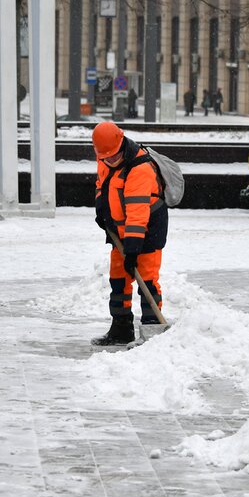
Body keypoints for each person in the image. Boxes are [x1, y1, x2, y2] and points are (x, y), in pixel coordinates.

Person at [91, 121, 169, 346]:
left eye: (114, 156)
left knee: (147, 280)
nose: (110, 161)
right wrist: (102, 211)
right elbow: (102, 185)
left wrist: (133, 249)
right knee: (118, 279)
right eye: (106, 158)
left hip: (147, 231)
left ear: (121, 142)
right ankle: (121, 329)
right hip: (120, 230)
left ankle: (152, 331)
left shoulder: (139, 168)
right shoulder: (105, 155)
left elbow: (137, 214)